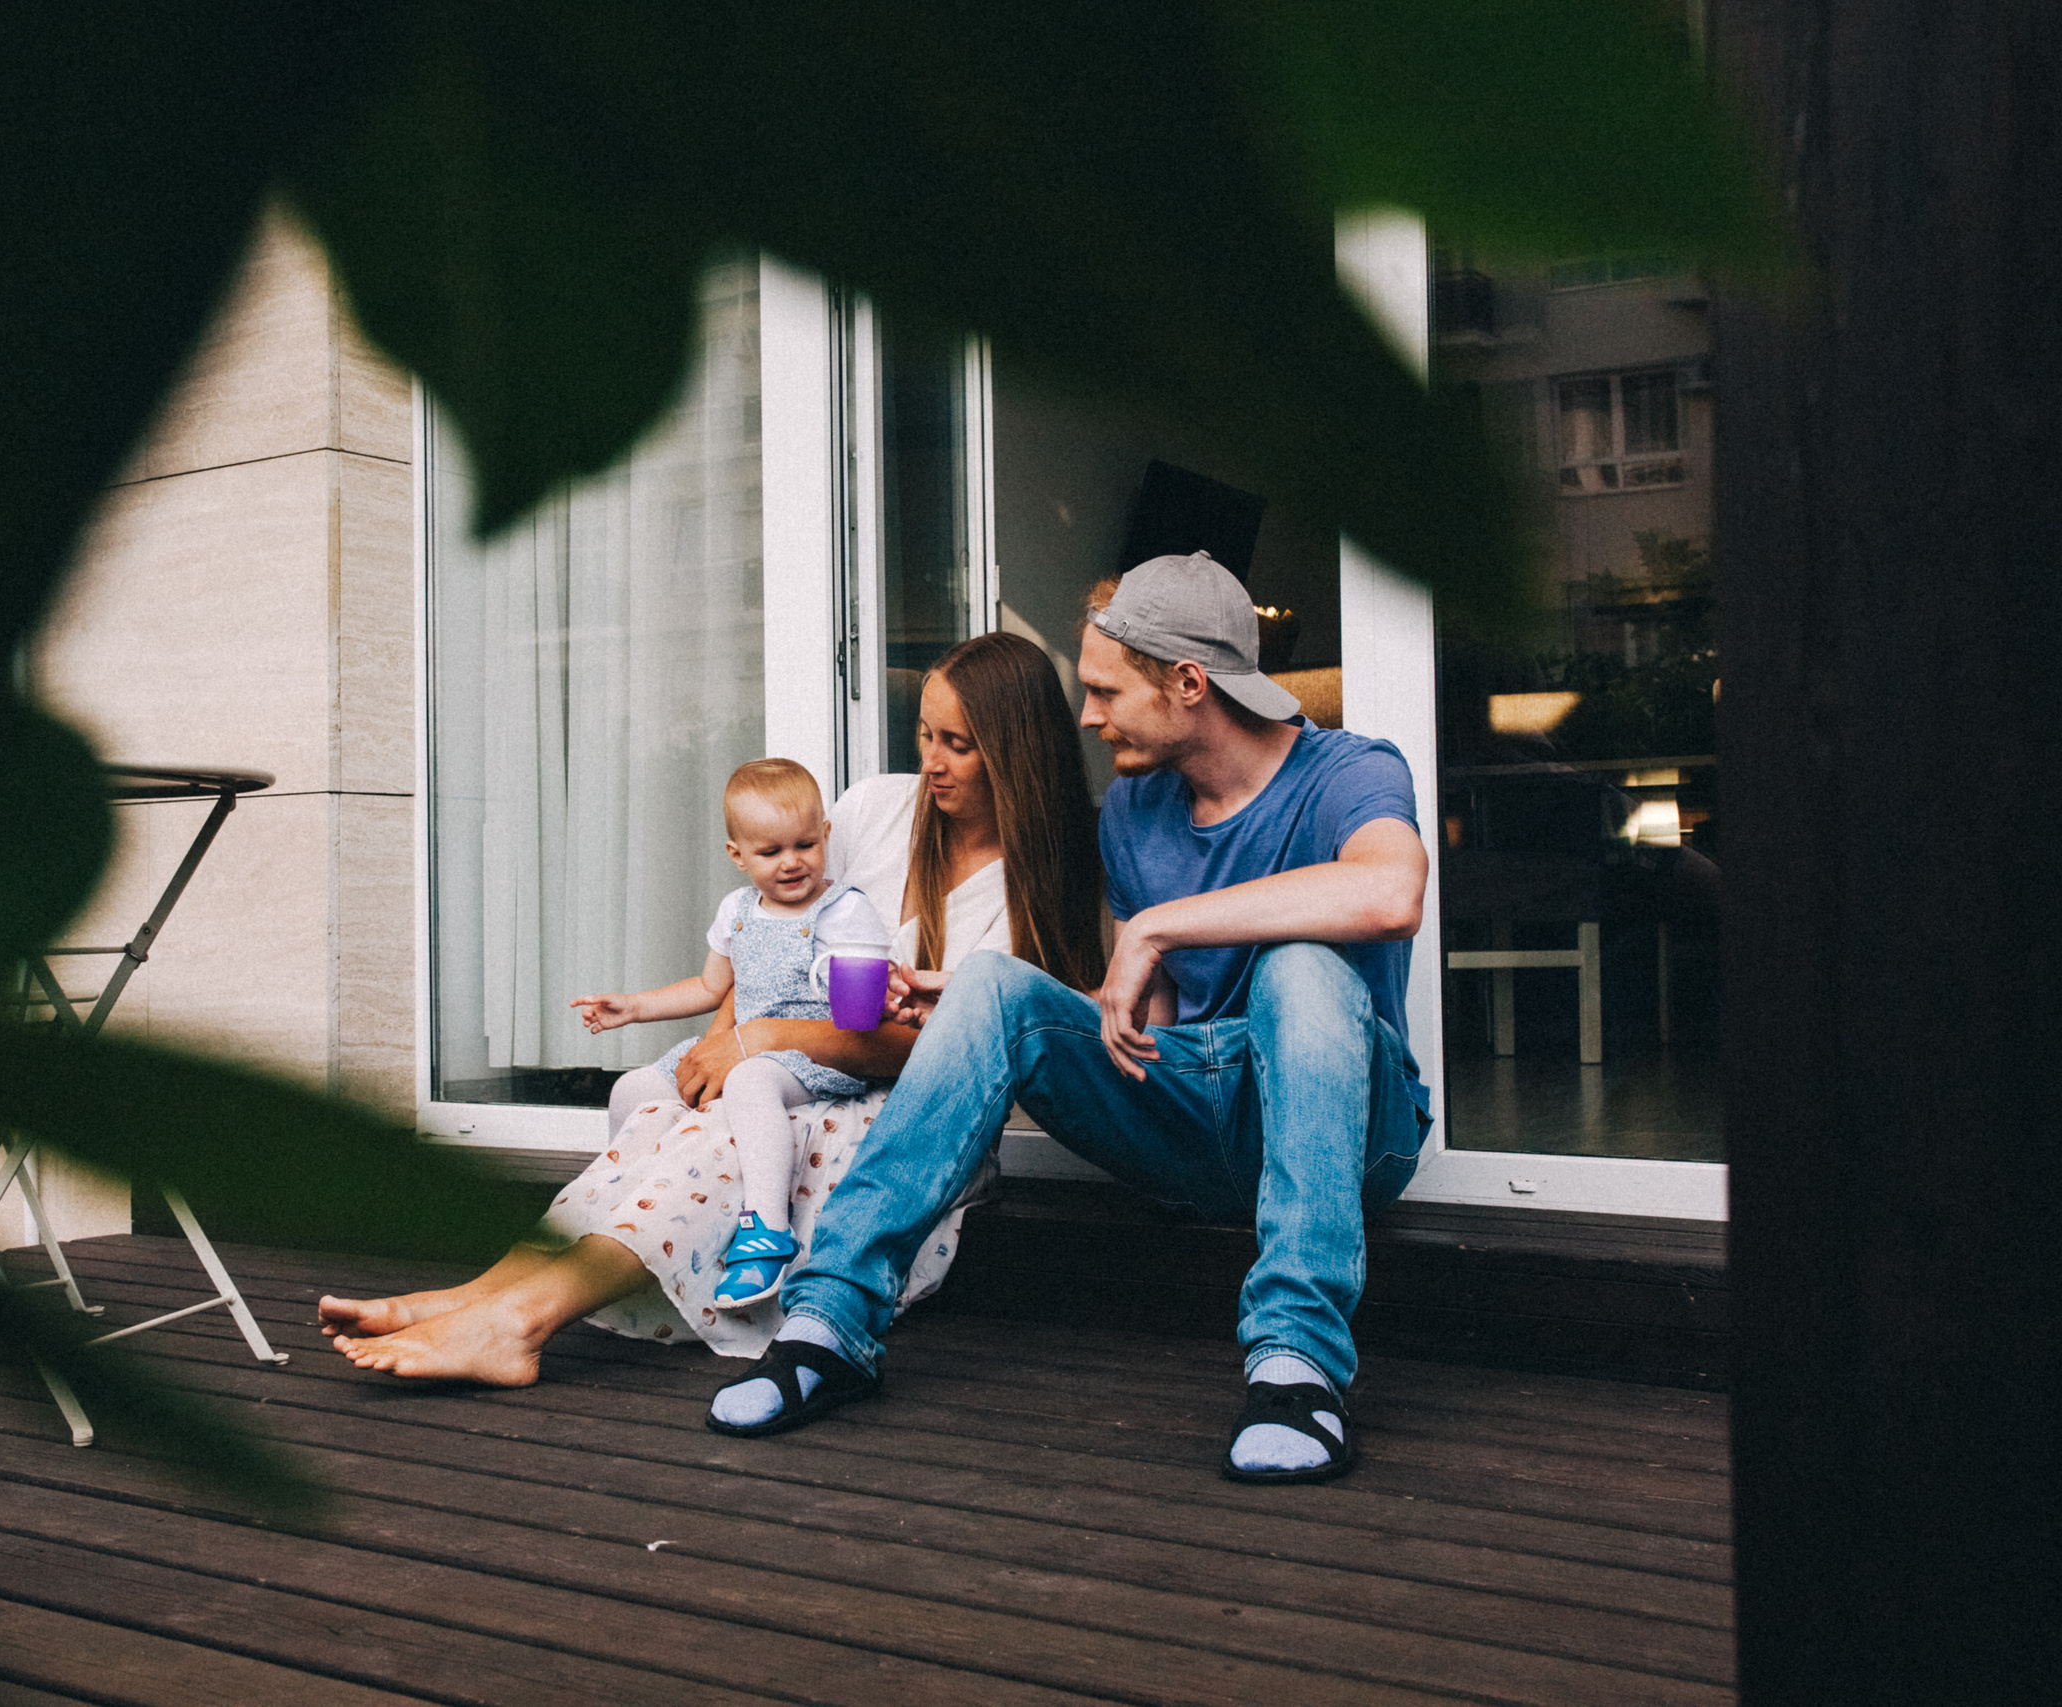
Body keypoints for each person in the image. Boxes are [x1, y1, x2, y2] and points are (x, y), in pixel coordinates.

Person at [706, 552, 1431, 1486]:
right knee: (991, 984)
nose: (1086, 717)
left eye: (1103, 690)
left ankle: (1298, 1366)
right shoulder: (1135, 807)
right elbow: (1147, 1024)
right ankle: (829, 1325)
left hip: (1347, 1131)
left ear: (1187, 682)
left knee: (1303, 969)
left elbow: (1391, 887)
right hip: (1191, 1112)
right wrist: (970, 1001)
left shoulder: (1348, 771)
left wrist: (1160, 926)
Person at [318, 631, 1104, 1384]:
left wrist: (757, 1042)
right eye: (926, 734)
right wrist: (723, 1040)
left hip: (911, 1118)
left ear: (1014, 751)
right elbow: (772, 927)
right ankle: (482, 1294)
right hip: (794, 1065)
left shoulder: (1028, 898)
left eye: (957, 744)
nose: (931, 760)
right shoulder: (877, 810)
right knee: (665, 1114)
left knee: (721, 1136)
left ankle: (521, 1323)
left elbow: (936, 1052)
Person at [568, 758, 892, 1307]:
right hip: (739, 1046)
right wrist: (635, 1006)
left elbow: (861, 1002)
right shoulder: (738, 912)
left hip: (807, 1056)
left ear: (826, 836)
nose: (792, 863)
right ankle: (617, 1212)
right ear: (737, 855)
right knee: (633, 1089)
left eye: (805, 845)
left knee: (749, 1081)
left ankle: (767, 1229)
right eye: (771, 852)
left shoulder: (844, 910)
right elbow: (708, 985)